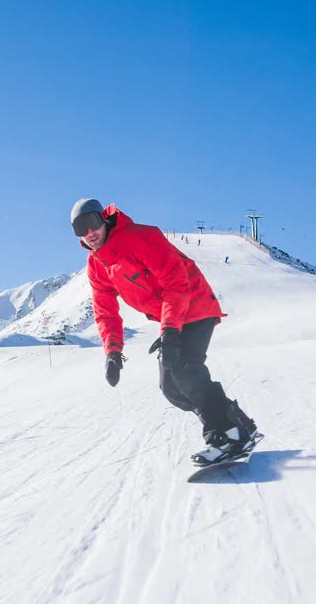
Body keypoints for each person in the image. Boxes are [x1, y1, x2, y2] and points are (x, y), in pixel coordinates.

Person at [70, 198, 260, 466]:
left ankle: (226, 434)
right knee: (171, 387)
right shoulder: (97, 265)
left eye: (91, 223)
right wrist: (112, 353)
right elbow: (105, 312)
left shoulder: (141, 238)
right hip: (170, 318)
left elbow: (176, 283)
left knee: (185, 369)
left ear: (103, 219)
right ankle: (238, 426)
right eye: (80, 229)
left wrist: (170, 331)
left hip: (195, 305)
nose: (89, 233)